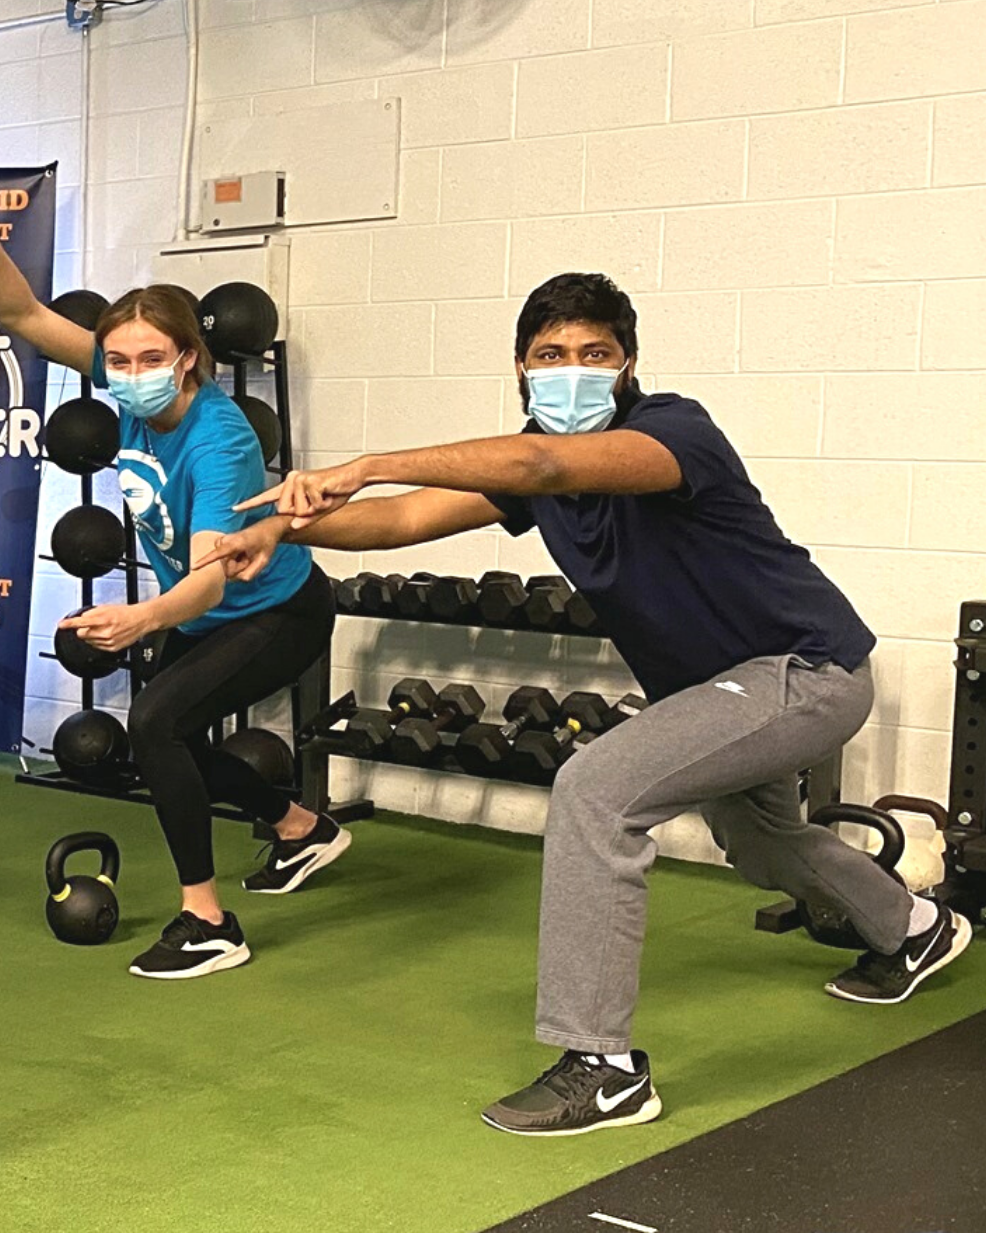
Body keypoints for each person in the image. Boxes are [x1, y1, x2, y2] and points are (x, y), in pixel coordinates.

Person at [198, 271, 972, 1134]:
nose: (571, 369)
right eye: (549, 354)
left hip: (806, 668)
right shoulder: (535, 473)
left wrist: (366, 464)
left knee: (594, 790)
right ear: (520, 369)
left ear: (626, 364)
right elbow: (402, 520)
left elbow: (538, 461)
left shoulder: (672, 432)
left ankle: (602, 1069)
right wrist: (282, 528)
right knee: (759, 841)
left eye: (593, 353)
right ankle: (912, 927)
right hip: (715, 692)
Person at [0, 222, 343, 980]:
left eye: (151, 359)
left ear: (187, 358)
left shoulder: (218, 440)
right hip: (208, 612)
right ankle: (299, 828)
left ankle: (209, 923)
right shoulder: (128, 390)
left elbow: (213, 576)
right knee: (168, 739)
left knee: (155, 722)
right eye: (117, 361)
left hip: (275, 610)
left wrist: (141, 618)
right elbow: (22, 314)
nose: (130, 373)